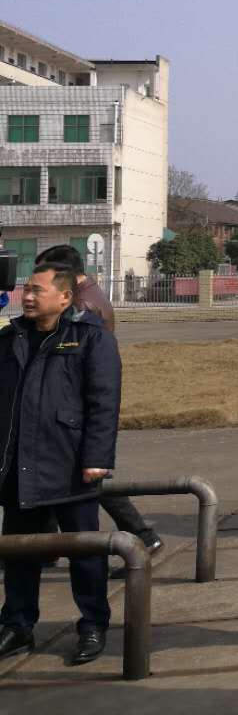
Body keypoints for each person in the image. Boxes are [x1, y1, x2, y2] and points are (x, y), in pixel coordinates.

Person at [0, 264, 120, 665]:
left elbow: (103, 404)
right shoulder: (9, 339)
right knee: (20, 552)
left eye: (37, 290)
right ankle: (17, 625)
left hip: (69, 466)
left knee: (84, 552)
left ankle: (92, 624)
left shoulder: (90, 339)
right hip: (18, 468)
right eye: (26, 290)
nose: (27, 296)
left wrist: (97, 459)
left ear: (65, 297)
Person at [34, 245, 163, 578]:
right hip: (72, 409)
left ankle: (142, 535)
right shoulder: (89, 295)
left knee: (89, 480)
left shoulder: (80, 306)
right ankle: (44, 547)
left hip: (73, 409)